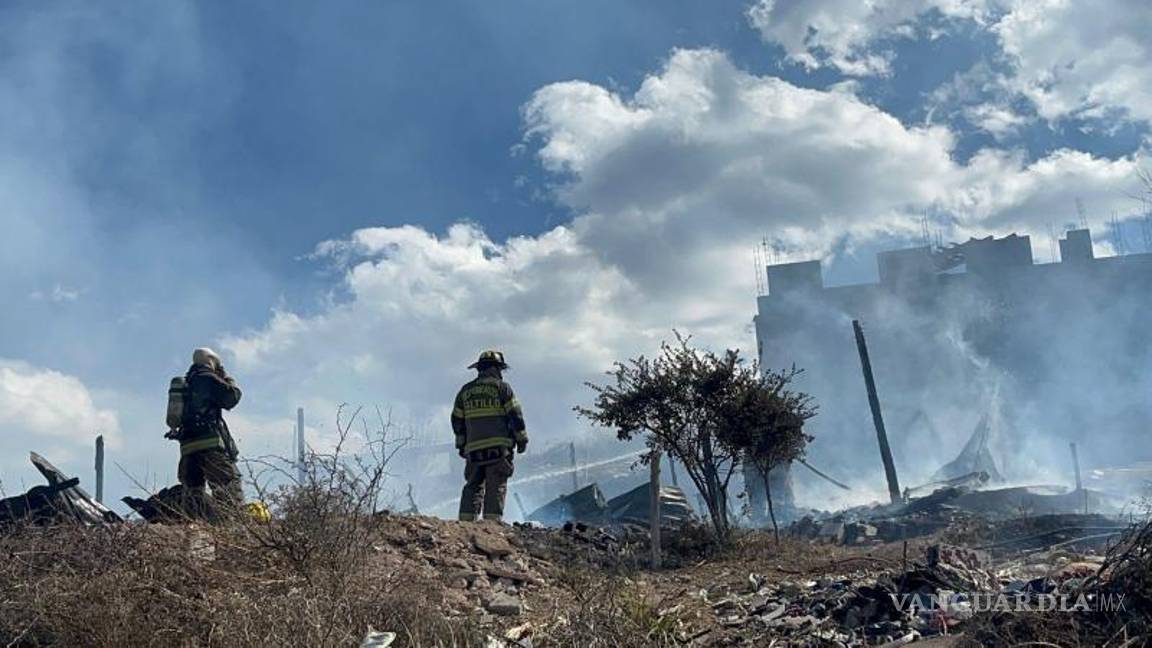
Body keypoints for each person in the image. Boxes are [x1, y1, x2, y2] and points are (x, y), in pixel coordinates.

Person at [452, 350, 527, 521]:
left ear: (480, 369)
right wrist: (522, 439)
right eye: (500, 369)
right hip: (498, 450)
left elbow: (457, 420)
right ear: (494, 369)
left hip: (473, 451)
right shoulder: (502, 388)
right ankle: (491, 528)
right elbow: (515, 415)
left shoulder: (465, 391)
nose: (500, 373)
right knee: (496, 486)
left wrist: (461, 445)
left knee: (472, 486)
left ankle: (465, 525)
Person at [177, 347, 243, 520]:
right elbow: (232, 397)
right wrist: (227, 377)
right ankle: (230, 531)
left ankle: (193, 529)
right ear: (212, 361)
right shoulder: (206, 378)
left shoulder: (185, 382)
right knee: (228, 487)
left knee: (193, 493)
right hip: (210, 444)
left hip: (187, 448)